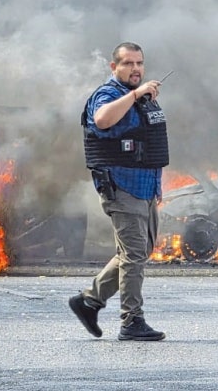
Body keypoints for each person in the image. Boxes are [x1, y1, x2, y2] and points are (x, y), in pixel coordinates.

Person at [69, 42, 168, 342]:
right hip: (121, 187)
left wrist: (157, 186)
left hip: (144, 188)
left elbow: (148, 143)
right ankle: (131, 320)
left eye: (139, 63)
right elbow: (102, 120)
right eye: (128, 63)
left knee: (136, 252)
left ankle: (89, 301)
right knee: (134, 254)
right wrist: (135, 94)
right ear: (114, 67)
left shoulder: (142, 99)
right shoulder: (109, 94)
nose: (135, 69)